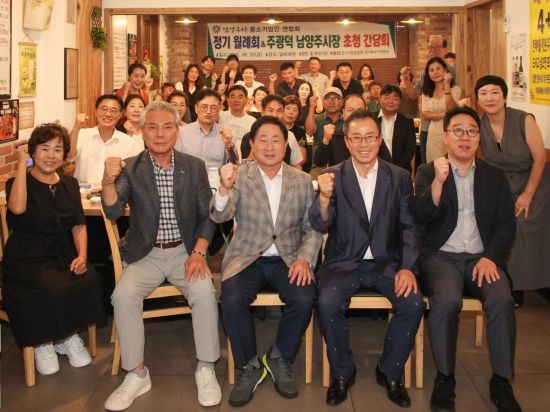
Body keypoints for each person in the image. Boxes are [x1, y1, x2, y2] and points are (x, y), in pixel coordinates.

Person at [102, 101, 221, 410]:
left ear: (177, 130)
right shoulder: (131, 167)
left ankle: (206, 367)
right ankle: (136, 373)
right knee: (123, 296)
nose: (159, 134)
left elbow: (208, 215)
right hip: (146, 254)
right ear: (142, 132)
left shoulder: (193, 166)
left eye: (167, 127)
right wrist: (107, 180)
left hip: (185, 252)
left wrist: (199, 251)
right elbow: (113, 210)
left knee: (204, 293)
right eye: (152, 127)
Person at [309, 109, 424, 408]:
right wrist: (324, 198)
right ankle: (342, 373)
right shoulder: (332, 175)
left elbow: (410, 227)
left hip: (388, 262)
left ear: (379, 139)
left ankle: (390, 371)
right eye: (356, 138)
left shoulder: (398, 176)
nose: (364, 144)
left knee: (412, 303)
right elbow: (319, 223)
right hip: (344, 262)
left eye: (370, 137)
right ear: (347, 141)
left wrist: (408, 268)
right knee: (327, 302)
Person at [413, 106, 521, 412]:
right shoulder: (428, 171)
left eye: (471, 131)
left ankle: (502, 381)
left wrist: (491, 258)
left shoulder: (494, 176)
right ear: (445, 137)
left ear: (479, 137)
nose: (465, 137)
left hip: (480, 259)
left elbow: (506, 223)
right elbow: (421, 215)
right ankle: (445, 378)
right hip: (441, 258)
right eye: (457, 130)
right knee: (446, 301)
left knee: (501, 300)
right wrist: (438, 182)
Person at [210, 116, 323, 407]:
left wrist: (304, 259)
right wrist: (223, 188)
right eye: (263, 140)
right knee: (231, 298)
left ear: (286, 146)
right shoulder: (239, 175)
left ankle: (279, 356)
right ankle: (249, 365)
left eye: (276, 140)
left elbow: (313, 229)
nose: (269, 147)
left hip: (288, 257)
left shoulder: (302, 180)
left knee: (304, 296)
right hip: (247, 256)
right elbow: (219, 216)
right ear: (252, 144)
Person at [2, 124, 105, 375]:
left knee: (90, 278)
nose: (51, 155)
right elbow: (17, 209)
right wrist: (21, 164)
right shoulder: (18, 181)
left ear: (64, 154)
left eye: (57, 149)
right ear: (33, 153)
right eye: (44, 149)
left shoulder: (70, 183)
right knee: (50, 285)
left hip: (62, 253)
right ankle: (42, 341)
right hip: (26, 257)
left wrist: (82, 256)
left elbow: (78, 225)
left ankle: (66, 335)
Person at [476, 75, 550, 306]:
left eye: (495, 92)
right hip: (503, 187)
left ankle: (540, 282)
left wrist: (527, 195)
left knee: (525, 225)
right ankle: (514, 284)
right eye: (483, 93)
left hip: (534, 182)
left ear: (505, 96)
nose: (489, 98)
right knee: (501, 224)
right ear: (477, 100)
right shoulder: (480, 125)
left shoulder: (523, 120)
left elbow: (540, 159)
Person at [69, 94, 137, 185]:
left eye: (113, 111)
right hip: (83, 191)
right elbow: (69, 156)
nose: (108, 114)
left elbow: (130, 174)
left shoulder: (128, 142)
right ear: (96, 111)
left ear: (120, 115)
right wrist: (76, 127)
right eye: (104, 109)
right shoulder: (82, 135)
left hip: (113, 191)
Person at [176, 88, 238, 169]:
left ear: (219, 109)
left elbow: (235, 164)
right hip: (189, 176)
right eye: (204, 107)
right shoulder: (182, 132)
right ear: (196, 108)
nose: (208, 111)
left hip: (216, 177)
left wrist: (229, 144)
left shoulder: (225, 134)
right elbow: (175, 162)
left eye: (213, 107)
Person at [240, 94, 304, 168]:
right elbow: (246, 168)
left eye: (279, 111)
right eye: (270, 110)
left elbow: (297, 165)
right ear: (262, 112)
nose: (275, 115)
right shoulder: (249, 137)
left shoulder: (289, 135)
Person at [419, 57, 461, 163]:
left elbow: (452, 110)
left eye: (438, 69)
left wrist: (447, 85)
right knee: (433, 164)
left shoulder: (455, 89)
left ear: (445, 70)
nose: (435, 72)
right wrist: (447, 113)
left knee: (451, 163)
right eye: (431, 70)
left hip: (451, 130)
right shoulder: (426, 92)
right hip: (433, 132)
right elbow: (426, 115)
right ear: (428, 74)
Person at [312, 93, 366, 168]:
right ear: (343, 112)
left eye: (360, 110)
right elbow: (319, 162)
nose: (355, 114)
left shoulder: (374, 135)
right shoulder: (334, 135)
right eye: (350, 110)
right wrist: (325, 140)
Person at [376, 85, 416, 172]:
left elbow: (409, 150)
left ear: (400, 101)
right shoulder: (371, 119)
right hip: (375, 169)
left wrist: (394, 170)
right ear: (379, 99)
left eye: (395, 98)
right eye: (387, 97)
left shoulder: (407, 122)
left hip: (400, 170)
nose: (390, 101)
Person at [219, 85, 257, 158]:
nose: (236, 100)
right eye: (233, 96)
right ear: (227, 100)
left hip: (246, 160)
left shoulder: (253, 121)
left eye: (240, 97)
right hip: (224, 159)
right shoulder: (220, 115)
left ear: (246, 100)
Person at [282, 95, 307, 167]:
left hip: (291, 167)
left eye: (295, 110)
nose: (291, 112)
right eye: (288, 108)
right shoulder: (275, 128)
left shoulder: (300, 132)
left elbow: (302, 159)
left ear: (298, 113)